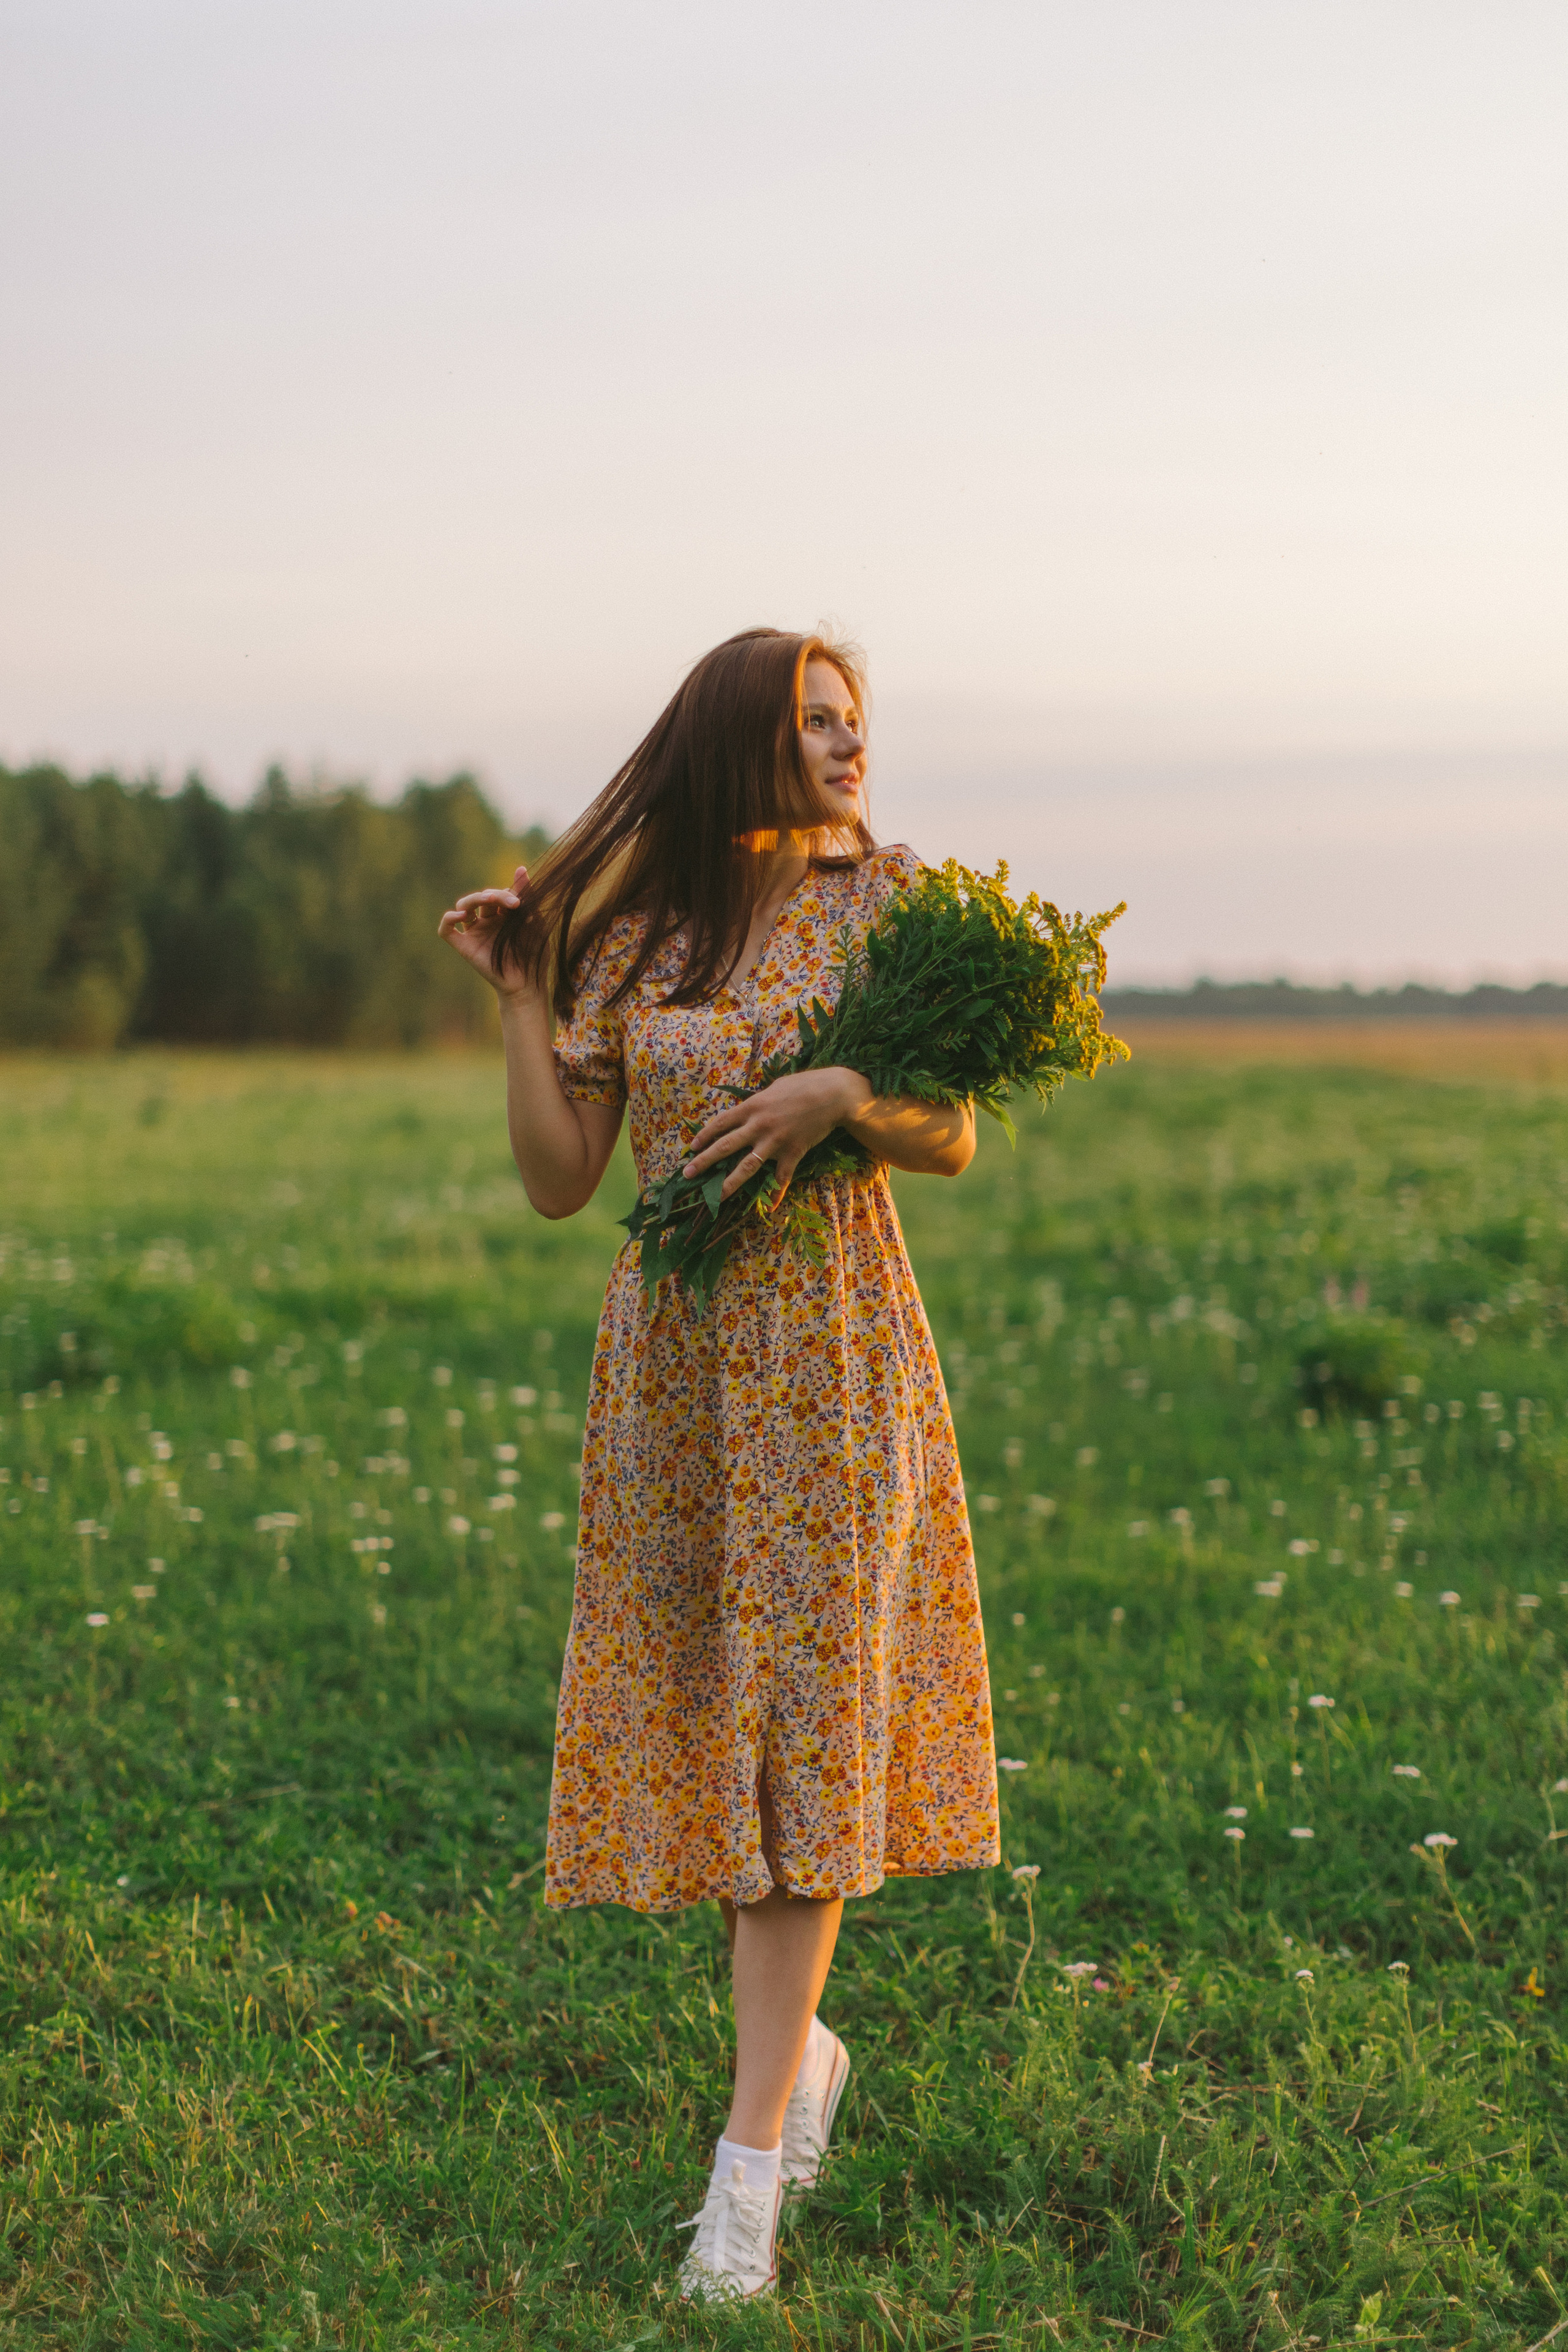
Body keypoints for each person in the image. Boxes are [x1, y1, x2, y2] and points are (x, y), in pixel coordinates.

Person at [439, 627, 1000, 2302]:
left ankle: (745, 2182)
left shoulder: (886, 903)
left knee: (808, 1734)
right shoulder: (640, 936)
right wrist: (525, 999)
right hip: (678, 1376)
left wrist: (843, 1094)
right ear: (739, 738)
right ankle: (798, 2058)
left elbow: (955, 1130)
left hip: (832, 1355)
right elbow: (562, 1177)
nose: (846, 745)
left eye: (854, 720)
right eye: (813, 722)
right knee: (714, 1726)